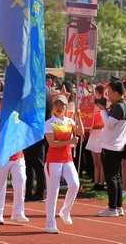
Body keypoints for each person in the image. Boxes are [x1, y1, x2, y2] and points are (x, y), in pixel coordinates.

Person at [43, 94, 84, 234]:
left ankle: (65, 211)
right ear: (53, 107)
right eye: (56, 105)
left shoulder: (69, 121)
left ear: (66, 107)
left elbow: (81, 132)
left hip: (67, 160)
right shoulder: (49, 123)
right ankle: (50, 223)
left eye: (62, 105)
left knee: (75, 184)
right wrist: (70, 142)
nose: (59, 107)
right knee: (53, 192)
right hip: (53, 161)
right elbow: (52, 143)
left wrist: (78, 117)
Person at [0, 102, 28, 226]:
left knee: (21, 181)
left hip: (17, 155)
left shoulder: (18, 115)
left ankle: (18, 213)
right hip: (1, 156)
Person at [97, 80, 126, 217]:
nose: (108, 94)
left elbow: (109, 124)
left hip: (111, 146)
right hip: (117, 145)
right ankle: (118, 206)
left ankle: (112, 208)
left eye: (109, 92)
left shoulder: (118, 107)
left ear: (116, 93)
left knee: (111, 178)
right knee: (116, 177)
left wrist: (103, 110)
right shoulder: (123, 105)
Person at [86, 85, 106, 191]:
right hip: (93, 134)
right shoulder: (92, 104)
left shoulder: (104, 104)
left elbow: (105, 121)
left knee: (101, 161)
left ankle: (101, 182)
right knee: (95, 162)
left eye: (96, 92)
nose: (94, 94)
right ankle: (96, 181)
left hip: (101, 134)